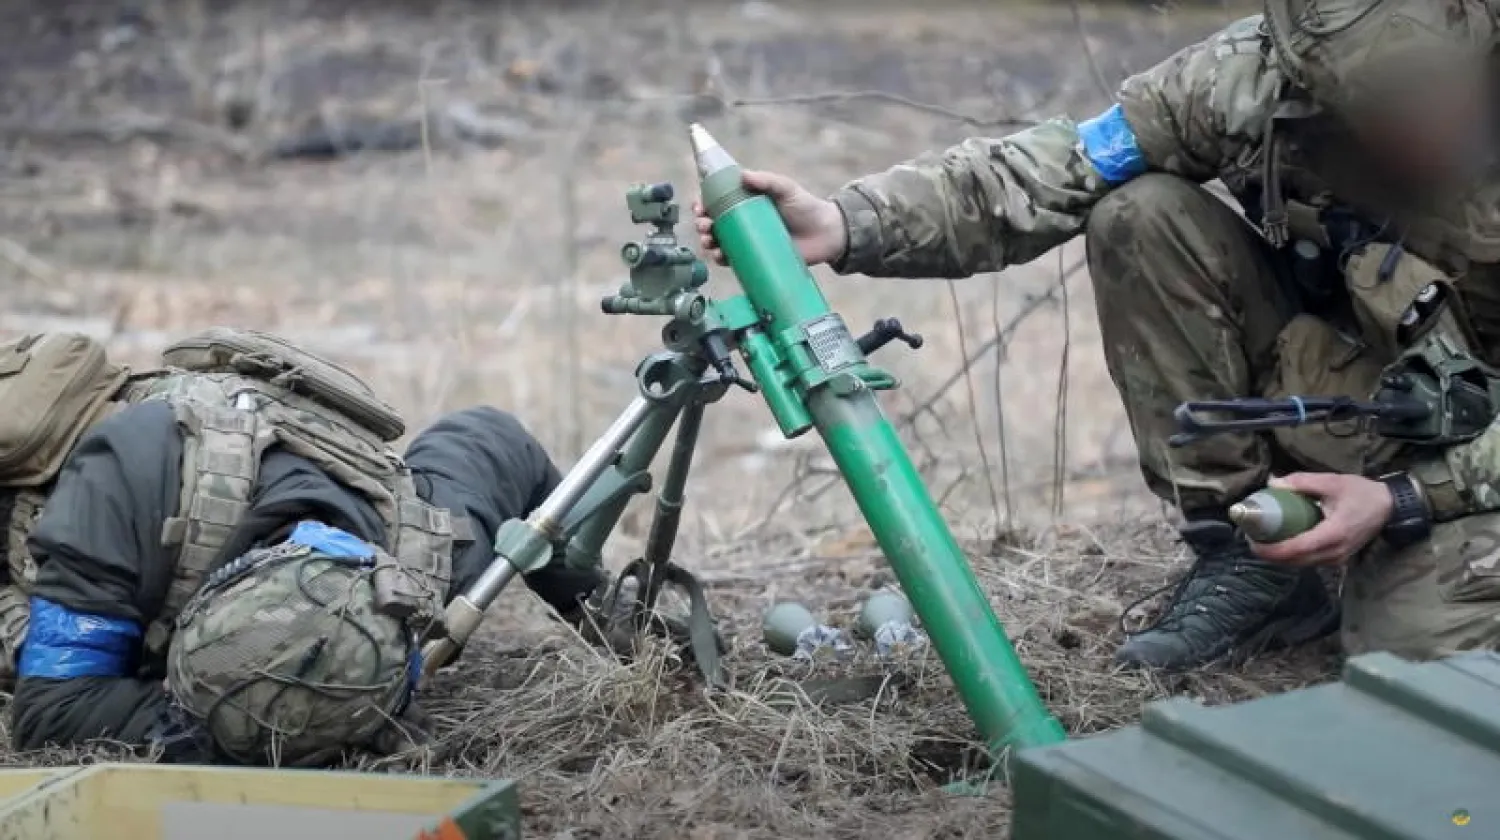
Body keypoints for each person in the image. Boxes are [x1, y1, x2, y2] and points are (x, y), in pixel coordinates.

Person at [694, 0, 1500, 671]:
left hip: (1480, 446)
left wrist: (1403, 499)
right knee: (1140, 216)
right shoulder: (1249, 79)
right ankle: (1251, 559)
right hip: (1375, 386)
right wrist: (846, 223)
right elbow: (1063, 167)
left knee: (1419, 675)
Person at [1, 327, 602, 764]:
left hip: (240, 476)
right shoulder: (101, 511)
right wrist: (213, 745)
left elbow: (53, 706)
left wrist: (602, 611)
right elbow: (52, 709)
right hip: (153, 478)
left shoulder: (430, 554)